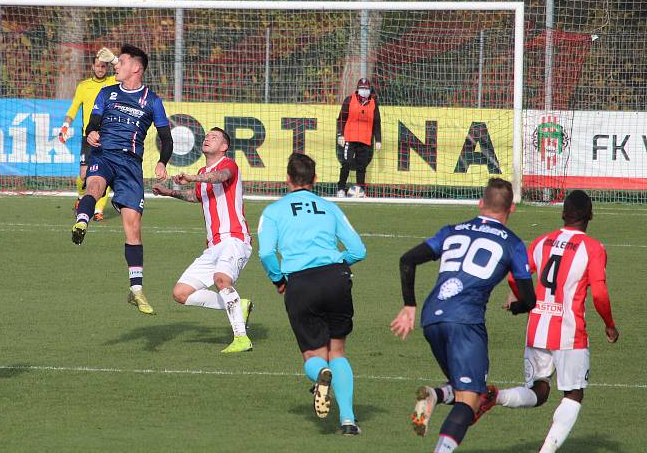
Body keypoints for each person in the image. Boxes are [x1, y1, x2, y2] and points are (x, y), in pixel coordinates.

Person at [390, 178, 536, 452]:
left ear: (480, 204)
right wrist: (515, 305)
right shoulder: (514, 244)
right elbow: (530, 299)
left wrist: (409, 305)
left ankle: (433, 395)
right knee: (472, 399)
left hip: (431, 316)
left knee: (461, 387)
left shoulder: (451, 230)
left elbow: (407, 260)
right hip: (465, 321)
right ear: (512, 209)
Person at [473, 190, 619, 453]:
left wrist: (520, 298)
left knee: (539, 392)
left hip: (537, 329)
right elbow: (598, 292)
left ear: (563, 214)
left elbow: (514, 276)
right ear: (590, 216)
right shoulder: (593, 248)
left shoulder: (542, 242)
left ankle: (496, 396)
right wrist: (609, 324)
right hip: (569, 334)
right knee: (573, 395)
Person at [258, 153, 367, 435]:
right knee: (338, 352)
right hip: (336, 279)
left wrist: (277, 279)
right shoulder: (330, 207)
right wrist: (337, 265)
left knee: (314, 356)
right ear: (315, 179)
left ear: (287, 179)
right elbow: (358, 250)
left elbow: (267, 252)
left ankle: (320, 375)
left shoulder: (274, 210)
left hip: (301, 283)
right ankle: (349, 421)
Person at [71, 43, 173, 316]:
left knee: (133, 227)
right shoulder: (106, 93)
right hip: (104, 154)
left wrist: (162, 161)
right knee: (93, 186)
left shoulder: (152, 101)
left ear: (136, 67)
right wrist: (92, 133)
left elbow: (166, 138)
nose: (117, 65)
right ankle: (81, 221)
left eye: (122, 61)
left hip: (130, 164)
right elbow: (93, 122)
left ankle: (136, 289)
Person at [152, 127, 254, 353]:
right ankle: (239, 304)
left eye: (214, 137)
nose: (208, 138)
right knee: (180, 293)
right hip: (214, 246)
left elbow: (220, 177)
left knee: (221, 280)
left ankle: (241, 338)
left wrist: (191, 177)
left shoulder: (228, 165)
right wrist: (169, 192)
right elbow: (197, 195)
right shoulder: (202, 170)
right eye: (207, 136)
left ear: (224, 147)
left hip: (234, 239)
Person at [58, 47, 119, 222]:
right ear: (92, 66)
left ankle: (98, 210)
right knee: (84, 175)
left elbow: (125, 72)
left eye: (103, 66)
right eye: (98, 66)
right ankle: (81, 198)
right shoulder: (84, 86)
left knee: (104, 173)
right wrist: (65, 126)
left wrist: (114, 59)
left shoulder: (112, 83)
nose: (100, 69)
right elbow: (74, 108)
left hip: (107, 136)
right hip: (89, 137)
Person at [336, 78, 381, 198]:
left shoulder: (373, 103)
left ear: (369, 90)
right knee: (346, 163)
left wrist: (378, 140)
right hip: (350, 138)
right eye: (362, 88)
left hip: (365, 140)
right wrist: (340, 134)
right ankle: (340, 189)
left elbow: (377, 122)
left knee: (362, 167)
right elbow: (341, 119)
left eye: (366, 88)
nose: (364, 91)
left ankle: (361, 191)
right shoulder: (349, 100)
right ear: (357, 89)